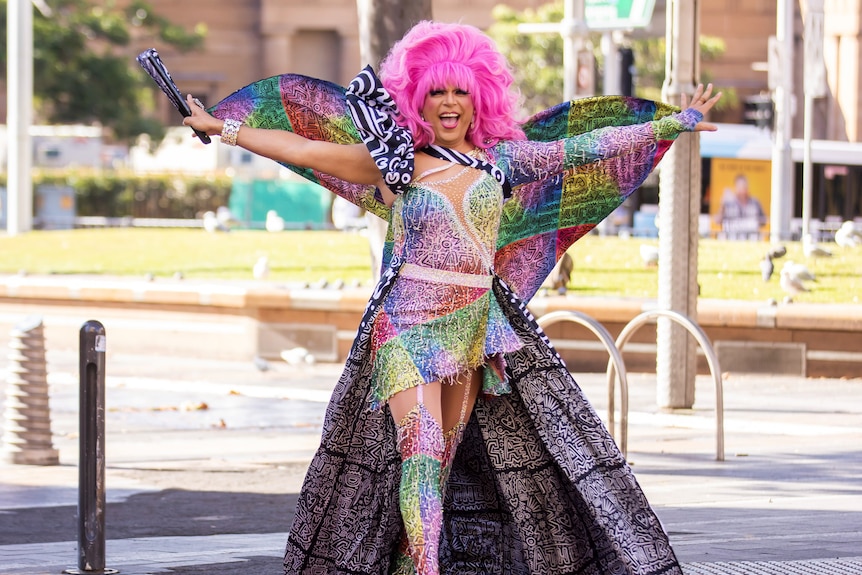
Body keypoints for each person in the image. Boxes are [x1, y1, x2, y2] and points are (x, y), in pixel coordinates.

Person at [182, 20, 720, 575]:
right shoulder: (399, 162)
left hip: (471, 328)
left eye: (460, 90)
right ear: (416, 98)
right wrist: (222, 129)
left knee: (437, 463)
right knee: (418, 456)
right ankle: (425, 569)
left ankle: (409, 562)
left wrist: (672, 124)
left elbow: (582, 148)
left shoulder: (503, 162)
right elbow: (304, 148)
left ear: (478, 98)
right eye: (436, 90)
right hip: (406, 324)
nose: (448, 102)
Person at [717, 173, 767, 239]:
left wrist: (753, 222)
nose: (743, 189)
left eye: (745, 186)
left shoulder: (755, 202)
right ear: (735, 187)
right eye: (740, 186)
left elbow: (764, 220)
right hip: (731, 239)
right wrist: (722, 205)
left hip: (751, 240)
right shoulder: (728, 203)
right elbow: (718, 221)